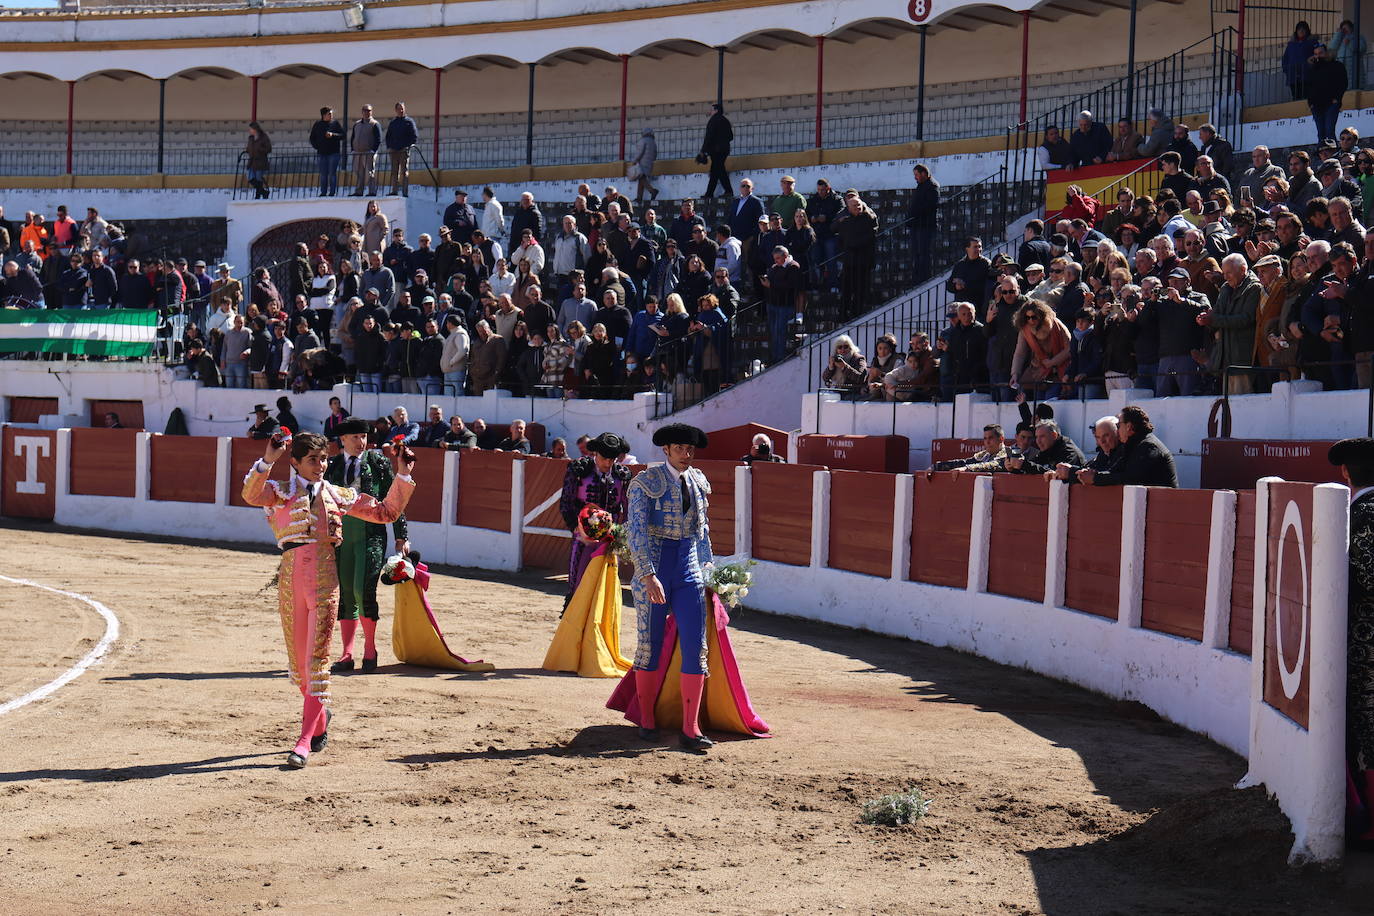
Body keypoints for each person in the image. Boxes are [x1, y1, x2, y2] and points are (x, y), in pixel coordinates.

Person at [242, 430, 414, 767]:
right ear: (295, 462)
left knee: (317, 661)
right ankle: (320, 718)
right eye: (312, 460)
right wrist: (267, 459)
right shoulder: (280, 492)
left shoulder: (337, 494)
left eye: (323, 459)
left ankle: (304, 741)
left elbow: (386, 512)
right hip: (290, 581)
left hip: (324, 581)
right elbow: (250, 494)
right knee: (299, 668)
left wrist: (403, 474)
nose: (320, 465)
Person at [620, 423, 716, 751]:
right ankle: (647, 719)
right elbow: (636, 532)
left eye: (690, 449)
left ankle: (691, 728)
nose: (686, 455)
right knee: (650, 644)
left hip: (688, 569)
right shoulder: (645, 482)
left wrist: (709, 570)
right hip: (657, 567)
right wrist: (647, 574)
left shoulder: (698, 481)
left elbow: (702, 531)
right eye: (679, 449)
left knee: (696, 647)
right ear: (666, 450)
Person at [322, 418, 411, 674]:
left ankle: (370, 649)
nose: (361, 442)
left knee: (364, 591)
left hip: (371, 534)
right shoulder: (333, 465)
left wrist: (401, 535)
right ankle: (347, 654)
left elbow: (393, 498)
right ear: (342, 440)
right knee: (346, 592)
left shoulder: (377, 462)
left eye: (363, 437)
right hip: (342, 535)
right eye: (355, 437)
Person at [558, 432, 633, 605]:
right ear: (595, 453)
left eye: (612, 459)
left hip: (610, 538)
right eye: (604, 458)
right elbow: (566, 502)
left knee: (605, 586)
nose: (608, 463)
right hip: (583, 537)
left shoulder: (622, 475)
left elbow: (628, 507)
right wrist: (575, 527)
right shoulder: (579, 470)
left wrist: (622, 534)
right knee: (579, 581)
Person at [1078, 405, 1177, 488]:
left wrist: (1095, 478)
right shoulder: (1133, 445)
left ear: (1128, 426)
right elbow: (1114, 471)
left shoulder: (1148, 446)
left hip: (1163, 502)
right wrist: (1089, 474)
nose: (1117, 431)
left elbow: (1131, 478)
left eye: (1118, 426)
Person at [1305, 41, 1349, 145]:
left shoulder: (1337, 66)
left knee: (1329, 131)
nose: (1318, 56)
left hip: (1331, 104)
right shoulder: (1313, 69)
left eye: (1320, 53)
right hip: (1316, 106)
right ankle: (1322, 153)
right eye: (1316, 54)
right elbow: (1309, 87)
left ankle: (1333, 153)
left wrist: (1337, 99)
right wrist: (1311, 104)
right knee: (1321, 133)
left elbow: (1343, 83)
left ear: (1326, 53)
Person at [309, 106, 345, 197]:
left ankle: (332, 192)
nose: (331, 115)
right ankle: (323, 192)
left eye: (331, 113)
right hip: (322, 153)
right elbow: (312, 138)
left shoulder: (335, 123)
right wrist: (317, 147)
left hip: (334, 153)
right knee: (323, 174)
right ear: (324, 115)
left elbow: (343, 135)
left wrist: (333, 135)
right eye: (329, 114)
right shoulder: (317, 124)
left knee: (332, 173)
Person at [700, 103, 733, 198]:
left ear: (716, 110)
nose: (710, 112)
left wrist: (703, 150)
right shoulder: (726, 121)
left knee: (718, 170)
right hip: (725, 149)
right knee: (715, 171)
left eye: (712, 110)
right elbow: (731, 136)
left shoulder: (713, 121)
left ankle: (728, 191)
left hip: (716, 151)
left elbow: (708, 137)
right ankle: (709, 193)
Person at [386, 102, 418, 197]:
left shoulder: (409, 121)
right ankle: (394, 190)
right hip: (393, 150)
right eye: (399, 108)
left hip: (404, 150)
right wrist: (390, 146)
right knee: (394, 171)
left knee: (404, 172)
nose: (401, 110)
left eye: (402, 108)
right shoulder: (393, 122)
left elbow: (414, 136)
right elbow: (388, 136)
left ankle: (405, 192)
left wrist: (408, 146)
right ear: (396, 110)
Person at [349, 104, 382, 197]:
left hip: (369, 152)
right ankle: (359, 191)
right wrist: (352, 149)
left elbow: (378, 139)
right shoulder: (357, 124)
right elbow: (353, 137)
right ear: (362, 112)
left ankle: (372, 191)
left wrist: (373, 150)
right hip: (357, 153)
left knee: (370, 173)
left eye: (369, 110)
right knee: (359, 173)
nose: (367, 112)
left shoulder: (374, 124)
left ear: (371, 112)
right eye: (365, 110)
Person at [1284, 20, 1320, 101]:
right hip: (1293, 76)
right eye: (1299, 29)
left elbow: (1318, 55)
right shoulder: (1291, 44)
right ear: (1296, 31)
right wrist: (1287, 69)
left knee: (1307, 98)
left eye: (1304, 29)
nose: (1301, 31)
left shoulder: (1313, 42)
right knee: (1295, 98)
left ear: (1307, 31)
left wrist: (1312, 66)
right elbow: (1285, 58)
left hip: (1307, 76)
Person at [630, 128, 659, 206]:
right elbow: (655, 154)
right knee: (641, 179)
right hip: (650, 162)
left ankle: (652, 191)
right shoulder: (653, 142)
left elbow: (639, 152)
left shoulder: (643, 141)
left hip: (642, 162)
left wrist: (635, 161)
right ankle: (639, 197)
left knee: (641, 178)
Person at [244, 122, 272, 199]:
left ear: (255, 129)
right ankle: (264, 192)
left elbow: (269, 148)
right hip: (252, 161)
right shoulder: (250, 138)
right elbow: (249, 147)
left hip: (260, 162)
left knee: (258, 179)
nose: (249, 130)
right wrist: (247, 150)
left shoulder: (263, 137)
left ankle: (258, 196)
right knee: (250, 177)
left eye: (250, 129)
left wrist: (260, 149)